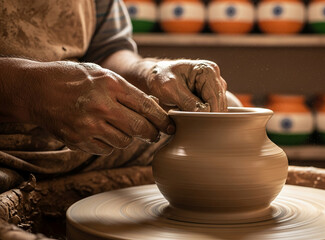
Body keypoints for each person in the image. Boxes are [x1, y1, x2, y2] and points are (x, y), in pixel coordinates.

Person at [0, 0, 229, 191]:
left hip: (76, 133)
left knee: (220, 126)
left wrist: (151, 73)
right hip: (5, 146)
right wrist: (32, 91)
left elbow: (108, 51)